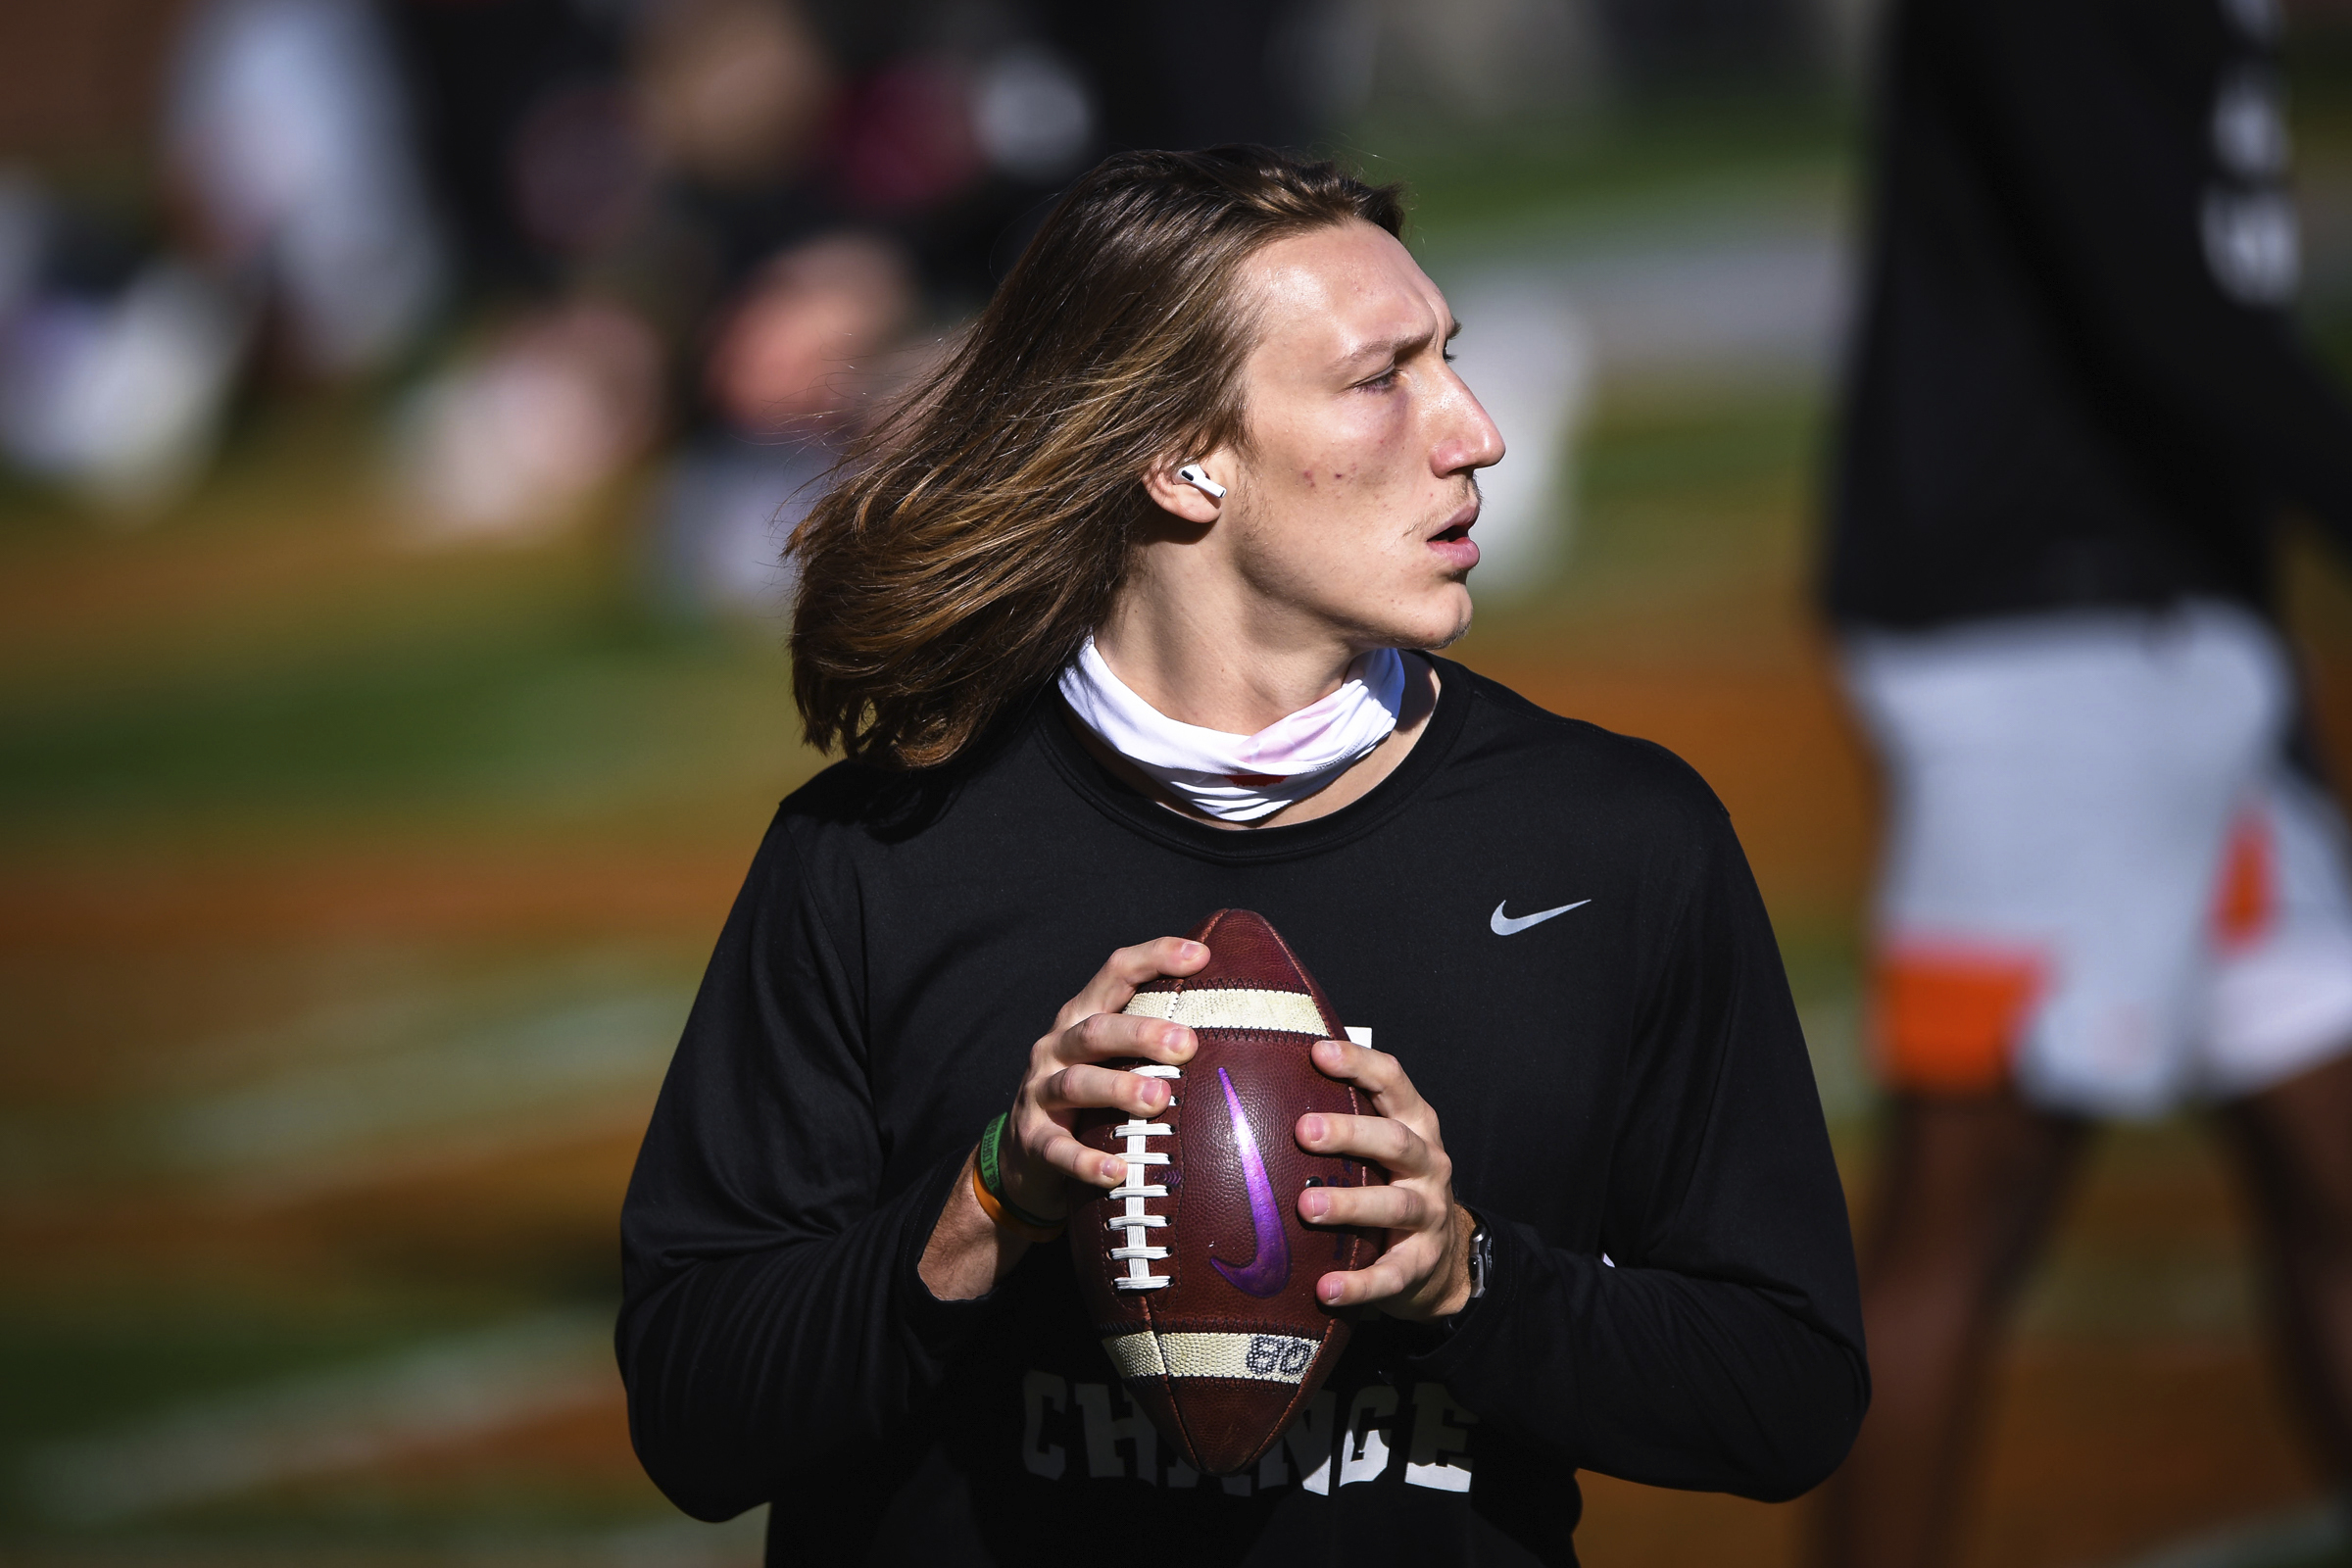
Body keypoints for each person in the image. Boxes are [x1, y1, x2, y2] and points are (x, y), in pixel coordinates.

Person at [618, 145, 1867, 1567]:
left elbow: (1790, 1394)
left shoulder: (1615, 840)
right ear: (1182, 456)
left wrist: (1466, 1274)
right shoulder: (877, 857)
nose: (1478, 432)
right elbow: (692, 1414)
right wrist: (986, 1206)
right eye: (1380, 379)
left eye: (1447, 358)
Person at [1815, 2, 2352, 1564]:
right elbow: (2152, 291)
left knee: (2333, 1157)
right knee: (1966, 1215)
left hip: (2186, 616)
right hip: (2043, 626)